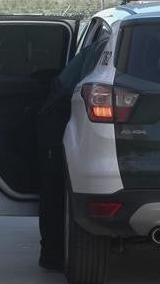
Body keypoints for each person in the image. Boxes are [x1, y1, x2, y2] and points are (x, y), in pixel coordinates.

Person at [36, 28, 111, 271]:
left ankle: (52, 254)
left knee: (54, 190)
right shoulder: (104, 48)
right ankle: (52, 254)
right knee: (55, 189)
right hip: (63, 116)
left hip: (71, 120)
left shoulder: (101, 46)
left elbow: (73, 85)